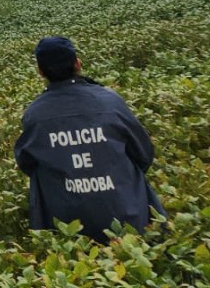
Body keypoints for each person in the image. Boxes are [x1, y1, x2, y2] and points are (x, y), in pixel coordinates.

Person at [15, 36, 166, 242]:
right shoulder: (110, 100)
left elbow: (26, 163)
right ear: (78, 63)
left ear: (40, 71)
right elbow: (143, 153)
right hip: (129, 216)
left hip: (67, 225)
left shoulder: (35, 113)